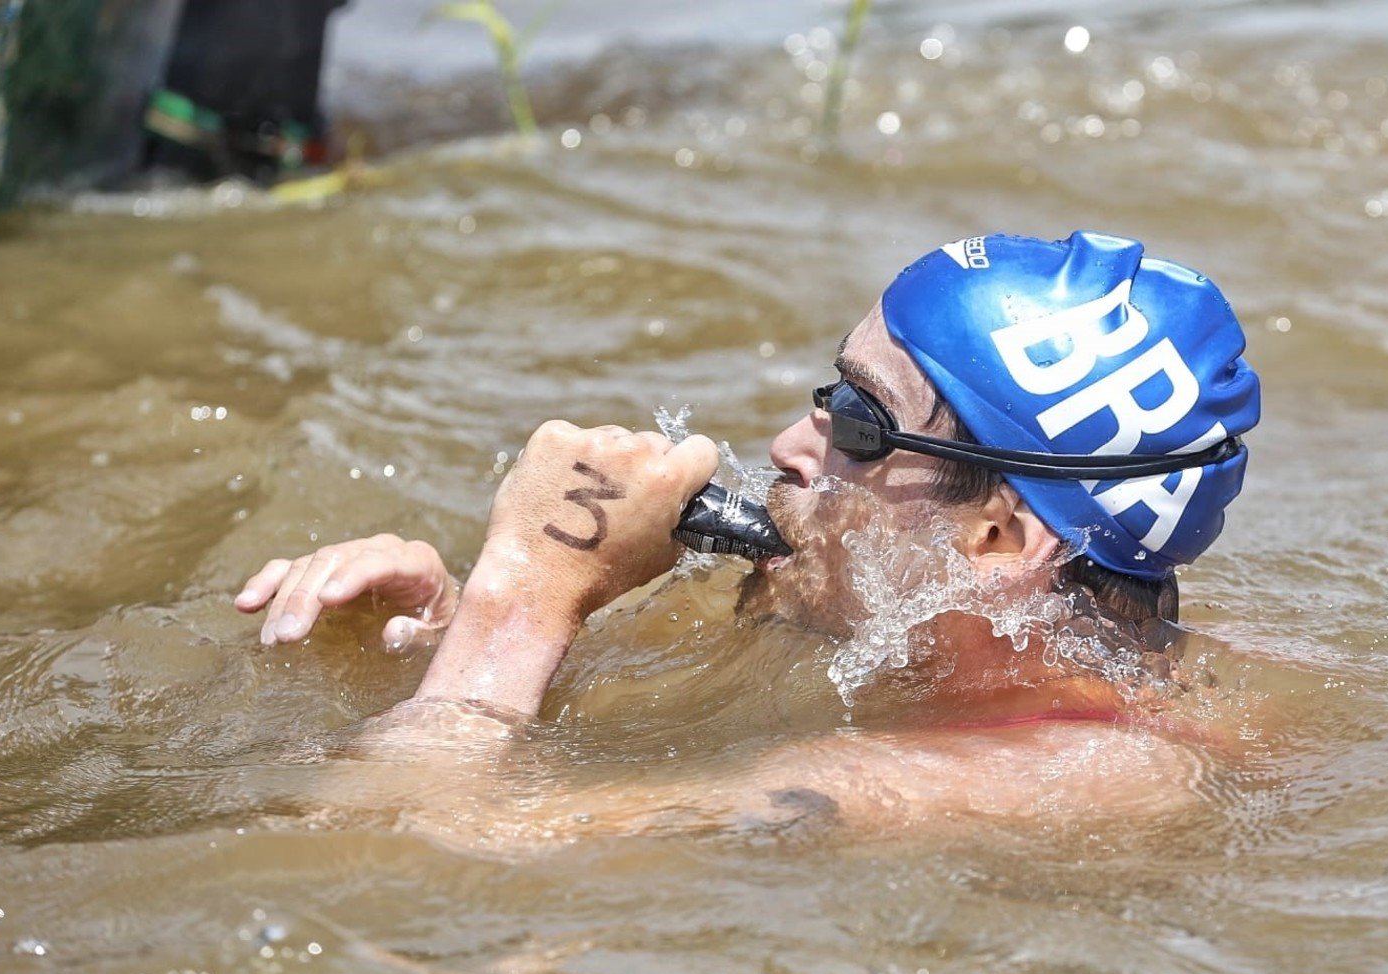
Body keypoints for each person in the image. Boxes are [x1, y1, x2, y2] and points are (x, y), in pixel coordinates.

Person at [235, 231, 1262, 831]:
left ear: (996, 538)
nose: (787, 445)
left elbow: (393, 860)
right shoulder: (913, 662)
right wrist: (438, 632)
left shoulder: (1024, 775)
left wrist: (521, 598)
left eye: (857, 422)